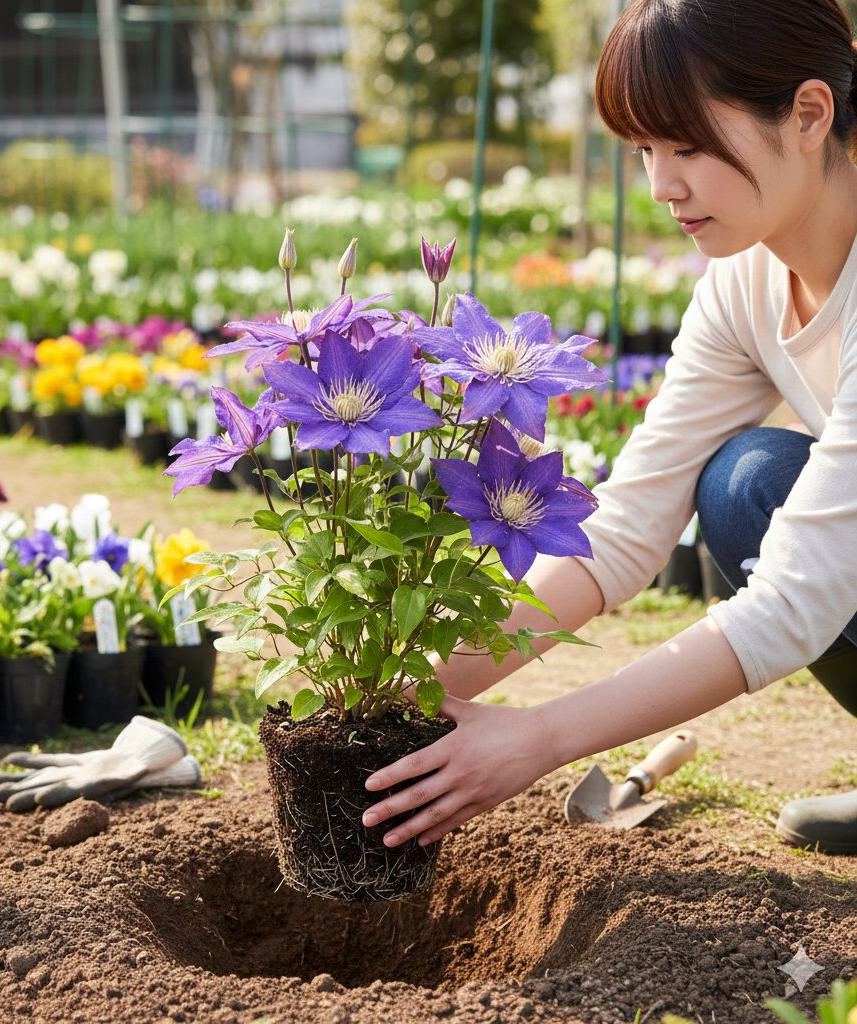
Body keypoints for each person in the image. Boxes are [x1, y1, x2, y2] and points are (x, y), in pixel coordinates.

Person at [361, 0, 857, 855]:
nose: (662, 185)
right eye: (644, 151)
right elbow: (625, 530)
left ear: (809, 114)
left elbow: (791, 604)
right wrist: (405, 694)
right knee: (750, 486)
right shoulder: (747, 279)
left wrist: (535, 740)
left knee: (752, 488)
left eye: (689, 146)